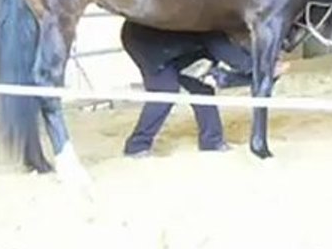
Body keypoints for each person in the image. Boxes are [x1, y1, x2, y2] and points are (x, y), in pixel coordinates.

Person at [119, 21, 288, 157]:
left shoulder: (216, 27)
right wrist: (261, 68)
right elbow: (236, 60)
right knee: (166, 91)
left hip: (176, 45)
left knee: (202, 91)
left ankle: (212, 142)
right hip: (147, 42)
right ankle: (137, 145)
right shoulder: (215, 31)